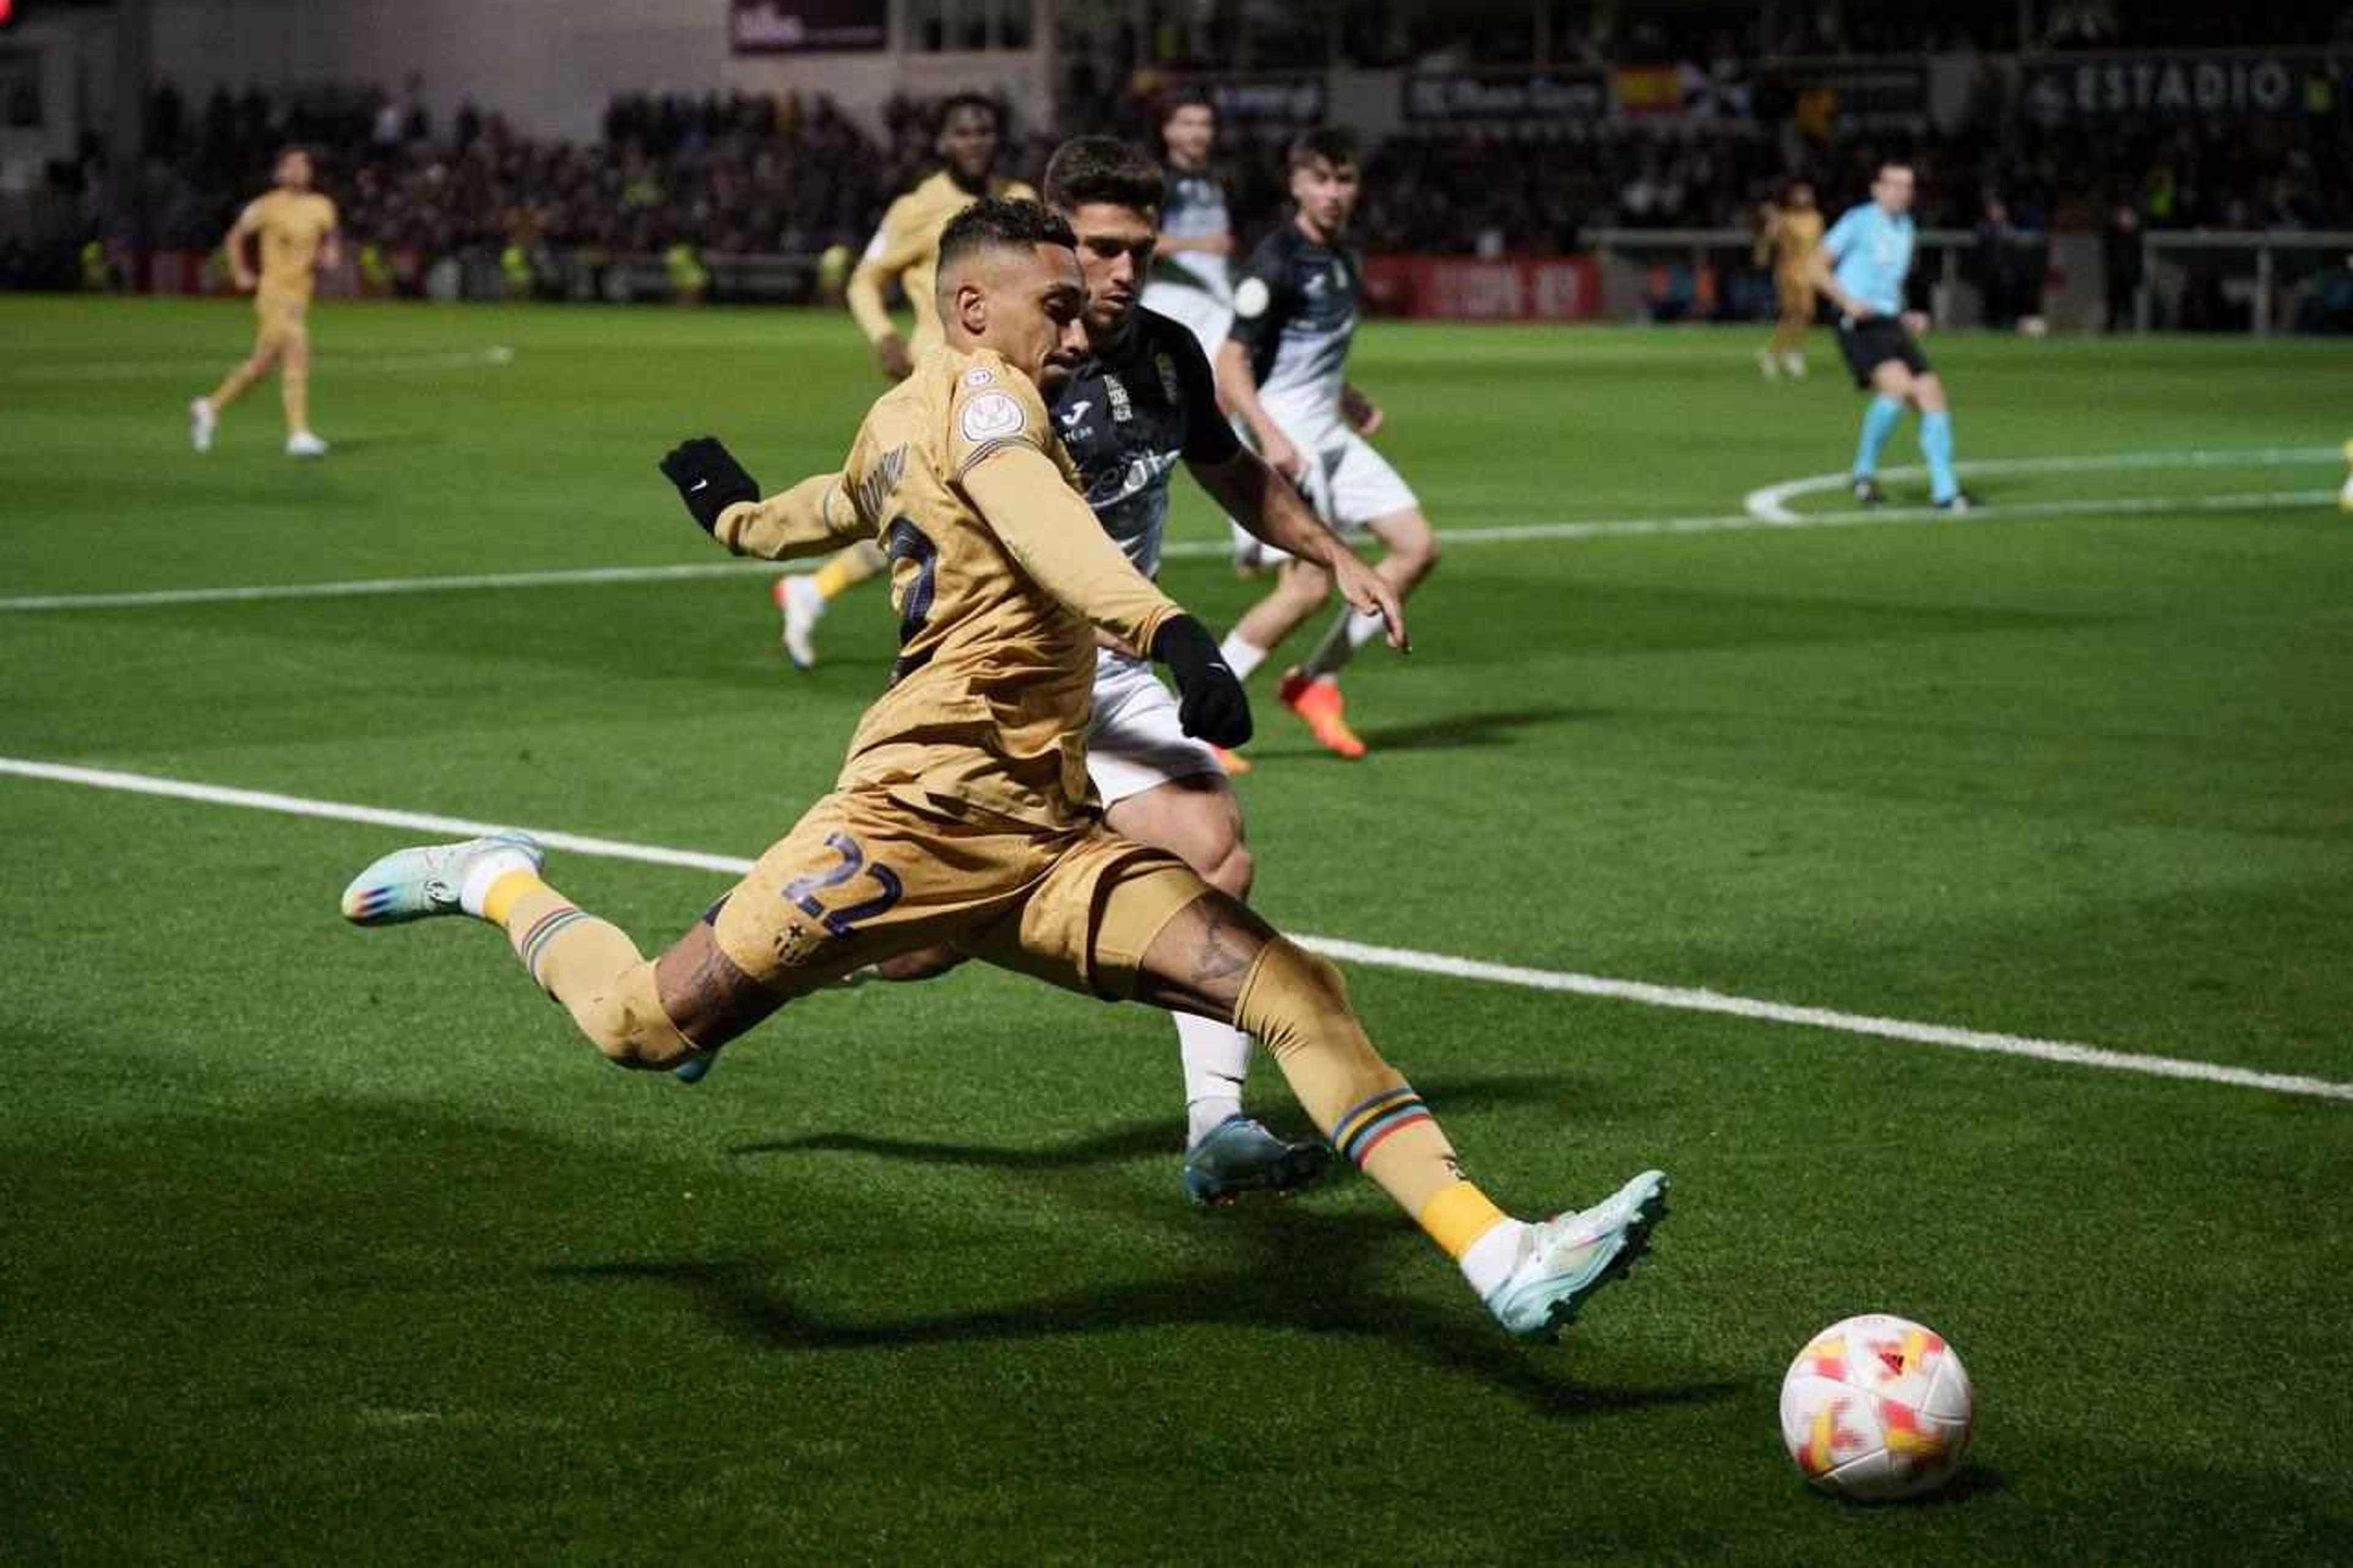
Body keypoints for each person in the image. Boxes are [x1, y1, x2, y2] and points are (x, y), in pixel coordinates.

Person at [339, 197, 1667, 1341]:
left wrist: (735, 515)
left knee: (1291, 988)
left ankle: (1500, 1254)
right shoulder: (989, 401)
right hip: (911, 819)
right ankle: (501, 878)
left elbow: (828, 508)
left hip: (1044, 834)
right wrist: (1171, 632)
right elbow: (1048, 536)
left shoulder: (906, 416)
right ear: (971, 307)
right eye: (1051, 303)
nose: (1077, 325)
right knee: (636, 1024)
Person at [711, 137, 1412, 1202]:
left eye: (1138, 250)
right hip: (994, 674)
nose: (1119, 276)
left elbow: (1233, 473)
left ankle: (1217, 1126)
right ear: (1051, 247)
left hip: (1113, 661)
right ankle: (721, 983)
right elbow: (875, 487)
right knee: (923, 940)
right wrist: (746, 518)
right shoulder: (1003, 381)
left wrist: (1333, 551)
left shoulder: (1165, 354)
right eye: (1096, 252)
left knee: (1214, 848)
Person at [776, 94, 1037, 670]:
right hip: (938, 381)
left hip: (1008, 381)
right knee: (960, 516)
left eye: (985, 129)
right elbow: (865, 280)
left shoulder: (1021, 201)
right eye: (963, 131)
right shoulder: (918, 208)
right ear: (943, 142)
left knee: (941, 515)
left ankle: (815, 591)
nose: (975, 140)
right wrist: (881, 336)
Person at [1214, 127, 1438, 762]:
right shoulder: (1276, 260)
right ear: (1296, 184)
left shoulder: (1345, 256)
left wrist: (1347, 396)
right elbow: (1230, 364)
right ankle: (1203, 718)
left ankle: (1316, 681)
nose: (1333, 193)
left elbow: (1308, 355)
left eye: (1344, 180)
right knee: (1307, 589)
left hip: (1330, 436)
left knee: (1417, 549)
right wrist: (1271, 437)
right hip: (1289, 443)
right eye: (1320, 179)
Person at [1809, 161, 1974, 511]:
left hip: (1888, 321)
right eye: (1895, 184)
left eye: (1908, 186)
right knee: (1898, 387)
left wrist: (1905, 313)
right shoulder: (1859, 221)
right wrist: (1848, 302)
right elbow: (1814, 266)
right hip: (1857, 322)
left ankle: (1946, 492)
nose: (1902, 192)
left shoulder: (1906, 227)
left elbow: (1889, 284)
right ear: (1877, 189)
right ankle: (1863, 473)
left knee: (1931, 392)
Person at [188, 146, 339, 458]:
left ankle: (209, 407)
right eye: (293, 165)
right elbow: (234, 238)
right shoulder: (266, 206)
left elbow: (331, 239)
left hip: (300, 296)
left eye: (304, 165)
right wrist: (241, 271)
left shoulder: (323, 206)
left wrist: (330, 255)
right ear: (280, 173)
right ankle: (298, 435)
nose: (300, 170)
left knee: (262, 365)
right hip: (273, 293)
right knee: (298, 349)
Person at [1139, 90, 1234, 365]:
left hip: (1217, 297)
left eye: (1205, 124)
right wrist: (1200, 244)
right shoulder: (1156, 181)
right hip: (1173, 296)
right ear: (1168, 131)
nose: (1198, 133)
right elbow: (1142, 239)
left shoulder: (1216, 179)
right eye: (1188, 124)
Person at [1754, 180, 1822, 380]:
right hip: (1789, 271)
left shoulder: (1816, 219)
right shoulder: (1785, 220)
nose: (1804, 198)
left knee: (1807, 312)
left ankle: (1786, 352)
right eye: (1800, 194)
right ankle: (1782, 354)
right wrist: (1771, 226)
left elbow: (1819, 244)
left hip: (1808, 271)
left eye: (1807, 194)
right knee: (1792, 312)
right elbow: (1769, 241)